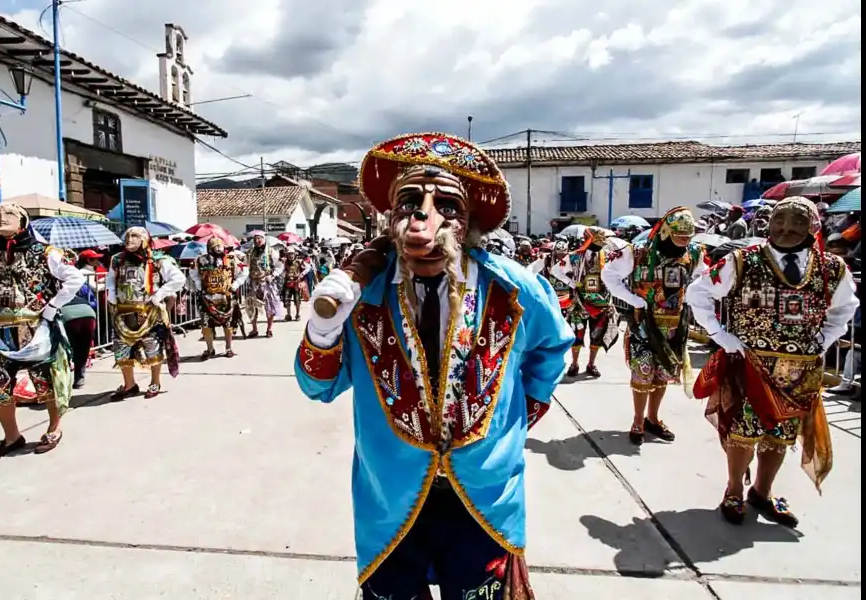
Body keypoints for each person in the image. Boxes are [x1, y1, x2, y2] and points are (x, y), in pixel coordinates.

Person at [294, 132, 574, 598]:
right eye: (408, 202)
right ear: (390, 218)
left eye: (447, 204)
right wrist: (323, 327)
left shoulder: (513, 289)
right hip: (391, 496)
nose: (425, 217)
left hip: (484, 495)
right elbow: (316, 386)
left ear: (469, 223)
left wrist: (518, 414)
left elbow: (552, 347)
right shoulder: (363, 294)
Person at [687, 197, 859, 526]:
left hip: (800, 371)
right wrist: (722, 336)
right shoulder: (743, 260)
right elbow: (699, 293)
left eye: (797, 222)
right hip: (750, 366)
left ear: (813, 227)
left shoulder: (831, 268)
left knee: (780, 435)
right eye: (780, 221)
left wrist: (825, 339)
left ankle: (762, 493)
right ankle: (734, 489)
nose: (786, 229)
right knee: (743, 432)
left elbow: (845, 308)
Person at [0, 203, 84, 460]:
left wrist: (51, 307)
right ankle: (12, 436)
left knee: (45, 381)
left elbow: (74, 278)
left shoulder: (45, 252)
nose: (1, 219)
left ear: (22, 222)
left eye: (8, 215)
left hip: (35, 327)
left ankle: (54, 427)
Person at [601, 207, 706, 445]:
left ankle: (653, 418)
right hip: (644, 325)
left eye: (688, 238)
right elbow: (609, 275)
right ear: (667, 231)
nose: (683, 243)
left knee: (663, 375)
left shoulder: (694, 254)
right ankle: (638, 420)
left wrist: (689, 296)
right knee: (643, 373)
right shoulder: (637, 252)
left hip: (675, 326)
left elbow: (705, 279)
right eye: (679, 237)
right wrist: (635, 300)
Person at [107, 226, 186, 400]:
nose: (129, 239)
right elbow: (110, 278)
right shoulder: (117, 259)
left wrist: (159, 295)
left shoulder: (158, 259)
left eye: (134, 236)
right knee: (121, 349)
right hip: (123, 313)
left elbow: (178, 278)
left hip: (149, 313)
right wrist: (111, 292)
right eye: (127, 236)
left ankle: (155, 381)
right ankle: (129, 385)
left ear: (145, 239)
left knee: (153, 347)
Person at [551, 227, 620, 378]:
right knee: (577, 335)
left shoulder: (607, 257)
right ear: (589, 240)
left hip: (601, 303)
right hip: (579, 303)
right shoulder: (575, 257)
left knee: (597, 335)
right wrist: (572, 282)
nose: (601, 244)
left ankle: (591, 364)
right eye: (598, 240)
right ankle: (574, 364)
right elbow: (556, 271)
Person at [191, 237, 248, 358]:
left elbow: (244, 271)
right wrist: (198, 285)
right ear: (209, 248)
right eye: (215, 247)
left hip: (226, 297)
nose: (218, 249)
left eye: (220, 247)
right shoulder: (201, 260)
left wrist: (235, 285)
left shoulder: (231, 259)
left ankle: (228, 348)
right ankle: (210, 349)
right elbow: (193, 273)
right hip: (208, 298)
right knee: (206, 325)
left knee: (228, 324)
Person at [61, 276, 99, 389]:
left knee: (64, 351)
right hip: (89, 316)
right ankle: (79, 380)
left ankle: (64, 382)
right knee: (82, 350)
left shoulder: (56, 300)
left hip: (70, 319)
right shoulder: (79, 298)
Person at [245, 231, 283, 338]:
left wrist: (273, 275)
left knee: (270, 306)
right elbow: (246, 266)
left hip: (267, 282)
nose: (257, 241)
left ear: (263, 239)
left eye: (259, 239)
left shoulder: (271, 252)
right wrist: (247, 278)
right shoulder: (250, 252)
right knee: (251, 306)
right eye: (255, 239)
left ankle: (269, 329)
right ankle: (254, 329)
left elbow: (279, 266)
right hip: (253, 282)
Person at [281, 246, 307, 321]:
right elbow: (280, 270)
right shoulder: (284, 262)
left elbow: (308, 268)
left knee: (297, 300)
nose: (290, 255)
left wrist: (301, 275)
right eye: (289, 254)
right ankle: (288, 314)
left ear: (294, 254)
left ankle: (298, 314)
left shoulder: (299, 262)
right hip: (287, 284)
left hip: (296, 284)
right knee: (287, 300)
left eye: (292, 254)